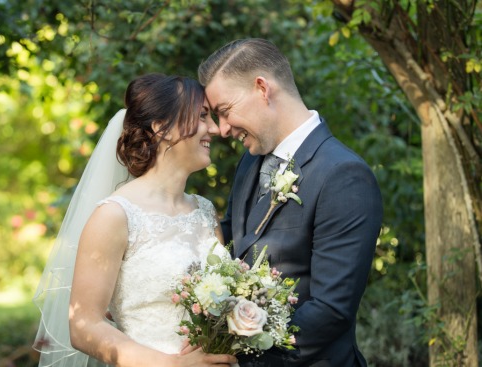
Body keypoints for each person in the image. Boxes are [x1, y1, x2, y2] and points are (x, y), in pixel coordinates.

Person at [198, 38, 383, 367]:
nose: (222, 129)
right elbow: (228, 245)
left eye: (225, 112)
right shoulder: (250, 163)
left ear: (262, 89)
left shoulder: (344, 175)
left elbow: (331, 310)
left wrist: (240, 359)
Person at [33, 73, 237, 367]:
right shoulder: (114, 216)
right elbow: (83, 326)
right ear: (161, 127)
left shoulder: (204, 211)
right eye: (203, 116)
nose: (214, 129)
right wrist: (174, 365)